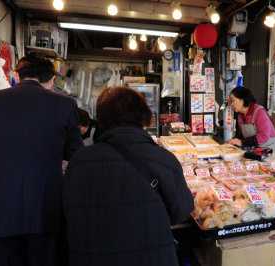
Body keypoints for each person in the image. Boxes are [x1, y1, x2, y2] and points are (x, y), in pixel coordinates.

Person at [63, 86, 194, 266]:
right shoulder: (163, 159)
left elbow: (69, 213)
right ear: (144, 117)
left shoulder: (78, 161)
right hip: (152, 258)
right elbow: (180, 211)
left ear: (102, 119)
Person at [0, 53, 84, 266]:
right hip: (45, 209)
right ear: (51, 79)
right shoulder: (65, 104)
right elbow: (75, 154)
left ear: (16, 75)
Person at [227, 86, 275, 155]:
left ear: (242, 100)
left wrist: (241, 142)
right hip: (258, 152)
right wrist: (233, 141)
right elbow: (242, 136)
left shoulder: (259, 111)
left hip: (273, 152)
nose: (232, 104)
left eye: (233, 100)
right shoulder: (240, 116)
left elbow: (264, 136)